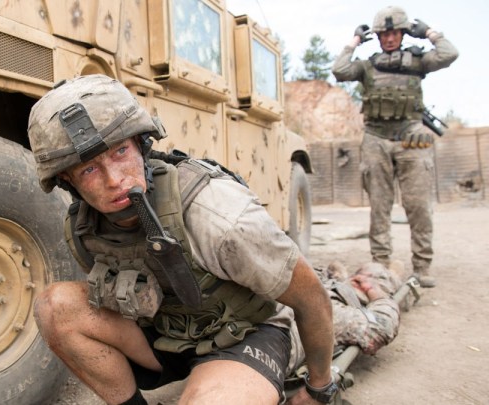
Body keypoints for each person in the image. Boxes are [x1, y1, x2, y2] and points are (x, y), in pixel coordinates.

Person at [26, 74, 336, 405]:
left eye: (119, 152)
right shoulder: (83, 227)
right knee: (55, 307)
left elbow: (311, 298)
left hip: (246, 335)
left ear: (142, 145)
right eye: (88, 170)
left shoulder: (216, 214)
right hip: (167, 336)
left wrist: (319, 387)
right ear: (67, 180)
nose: (114, 180)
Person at [331, 6, 459, 288]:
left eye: (394, 32)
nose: (389, 38)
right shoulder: (367, 66)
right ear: (377, 36)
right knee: (379, 206)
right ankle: (380, 264)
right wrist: (354, 41)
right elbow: (339, 70)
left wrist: (429, 33)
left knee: (418, 206)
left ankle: (422, 267)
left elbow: (450, 53)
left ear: (402, 33)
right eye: (384, 33)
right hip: (376, 138)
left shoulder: (417, 61)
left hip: (411, 136)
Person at [321, 260, 409, 355]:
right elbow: (380, 327)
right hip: (330, 300)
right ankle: (392, 276)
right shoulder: (324, 312)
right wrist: (379, 298)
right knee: (374, 272)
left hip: (325, 289)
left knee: (371, 270)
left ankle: (391, 275)